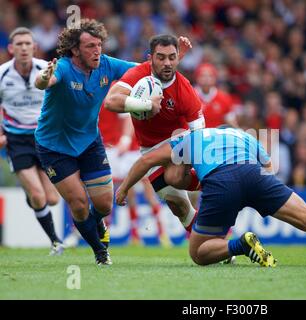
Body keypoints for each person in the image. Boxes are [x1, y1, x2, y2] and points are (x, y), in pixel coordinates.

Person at [115, 127, 306, 267]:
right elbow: (267, 167)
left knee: (199, 253)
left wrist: (125, 187)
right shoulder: (243, 135)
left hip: (220, 181)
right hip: (255, 175)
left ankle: (241, 246)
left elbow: (146, 160)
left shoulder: (189, 139)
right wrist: (256, 193)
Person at [33, 19, 139, 265]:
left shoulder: (107, 65)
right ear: (75, 50)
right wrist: (43, 77)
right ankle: (100, 253)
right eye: (90, 46)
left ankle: (97, 221)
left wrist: (164, 64)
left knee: (104, 205)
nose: (97, 51)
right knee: (79, 204)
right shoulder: (62, 68)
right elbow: (44, 81)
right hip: (54, 146)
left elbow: (141, 70)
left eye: (99, 45)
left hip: (89, 141)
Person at [104, 34, 205, 235]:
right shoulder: (137, 74)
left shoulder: (186, 91)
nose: (167, 63)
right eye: (161, 57)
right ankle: (214, 241)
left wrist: (124, 188)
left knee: (175, 177)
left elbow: (200, 137)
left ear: (177, 58)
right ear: (150, 58)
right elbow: (110, 102)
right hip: (148, 148)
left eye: (172, 57)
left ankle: (216, 182)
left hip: (179, 141)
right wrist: (147, 104)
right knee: (180, 208)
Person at [0, 27, 63, 255]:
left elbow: (60, 101)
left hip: (45, 139)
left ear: (34, 47)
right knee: (38, 196)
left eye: (28, 44)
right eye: (19, 44)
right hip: (16, 140)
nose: (24, 48)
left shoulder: (46, 70)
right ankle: (56, 241)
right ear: (11, 49)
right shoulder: (2, 74)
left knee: (53, 199)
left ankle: (31, 195)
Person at [98, 103, 171, 247]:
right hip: (119, 151)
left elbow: (130, 121)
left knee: (149, 190)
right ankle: (134, 235)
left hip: (136, 150)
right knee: (127, 193)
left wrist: (125, 140)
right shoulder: (113, 97)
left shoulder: (128, 96)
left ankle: (162, 233)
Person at [194, 62, 238, 128]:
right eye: (203, 76)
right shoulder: (190, 96)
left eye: (210, 76)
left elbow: (232, 122)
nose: (206, 79)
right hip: (196, 136)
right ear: (197, 78)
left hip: (218, 137)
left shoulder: (224, 98)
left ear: (215, 78)